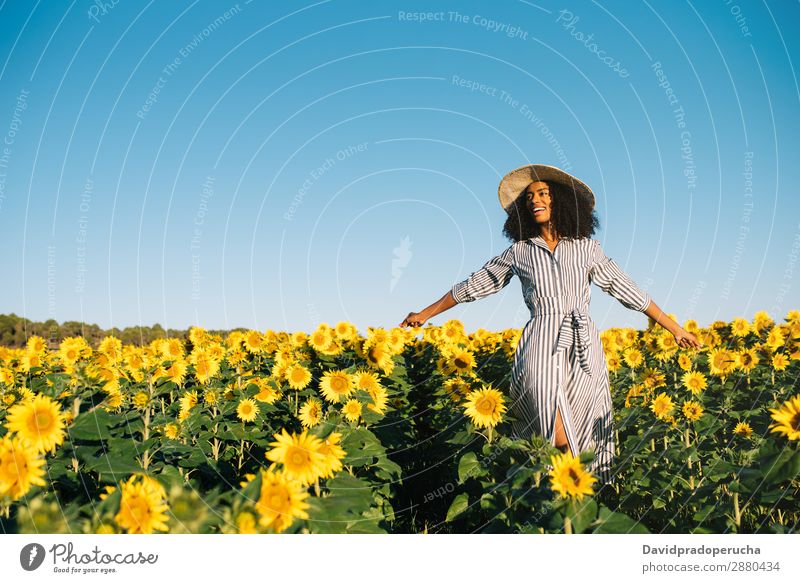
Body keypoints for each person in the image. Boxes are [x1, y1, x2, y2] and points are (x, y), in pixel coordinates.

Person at [399, 164, 702, 486]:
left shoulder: (587, 248)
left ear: (562, 202)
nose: (534, 200)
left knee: (586, 417)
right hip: (540, 339)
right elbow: (475, 285)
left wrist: (676, 328)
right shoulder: (519, 251)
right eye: (529, 197)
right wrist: (426, 313)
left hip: (583, 341)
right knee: (546, 408)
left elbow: (626, 289)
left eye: (543, 194)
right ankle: (552, 485)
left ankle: (577, 500)